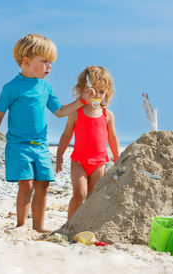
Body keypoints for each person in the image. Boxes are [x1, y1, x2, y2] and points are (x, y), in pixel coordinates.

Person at [0, 34, 91, 232]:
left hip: (41, 146)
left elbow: (59, 111)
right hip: (18, 146)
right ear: (26, 61)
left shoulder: (46, 87)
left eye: (51, 62)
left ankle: (39, 227)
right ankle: (21, 225)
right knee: (26, 185)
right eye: (45, 61)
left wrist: (81, 101)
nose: (49, 66)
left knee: (44, 186)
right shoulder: (11, 87)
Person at [56, 66, 119, 219]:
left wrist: (118, 159)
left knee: (93, 197)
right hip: (79, 161)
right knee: (79, 194)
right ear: (83, 90)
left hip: (99, 163)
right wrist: (59, 155)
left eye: (101, 92)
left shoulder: (107, 115)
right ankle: (69, 225)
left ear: (107, 93)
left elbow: (112, 138)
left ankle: (86, 224)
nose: (97, 95)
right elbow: (66, 135)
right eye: (93, 91)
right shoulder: (75, 112)